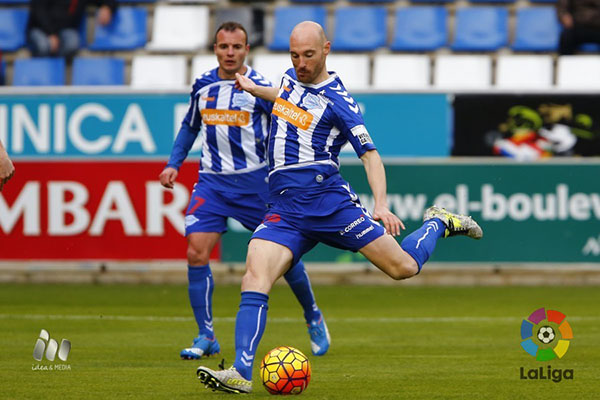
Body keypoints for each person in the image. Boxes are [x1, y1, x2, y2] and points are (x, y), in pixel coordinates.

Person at [196, 21, 483, 394]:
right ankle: (240, 371)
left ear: (326, 49)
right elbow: (285, 97)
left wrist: (381, 203)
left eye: (308, 55)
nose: (300, 63)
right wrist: (255, 89)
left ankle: (439, 222)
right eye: (295, 55)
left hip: (328, 202)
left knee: (403, 267)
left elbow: (371, 155)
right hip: (284, 207)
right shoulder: (288, 78)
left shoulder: (340, 102)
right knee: (255, 276)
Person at [159, 22, 330, 361]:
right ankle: (206, 335)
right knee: (196, 252)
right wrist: (174, 163)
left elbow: (293, 119)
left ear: (246, 50)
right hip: (212, 181)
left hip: (255, 183)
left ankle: (312, 314)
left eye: (237, 47)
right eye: (224, 46)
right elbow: (190, 125)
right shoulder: (203, 86)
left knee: (283, 254)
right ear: (215, 49)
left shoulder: (260, 88)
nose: (230, 52)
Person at [27, 0, 117, 58]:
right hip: (40, 29)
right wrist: (51, 33)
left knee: (72, 43)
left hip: (65, 30)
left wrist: (107, 7)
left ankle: (56, 72)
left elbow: (109, 1)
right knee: (44, 46)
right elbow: (39, 11)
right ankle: (41, 74)